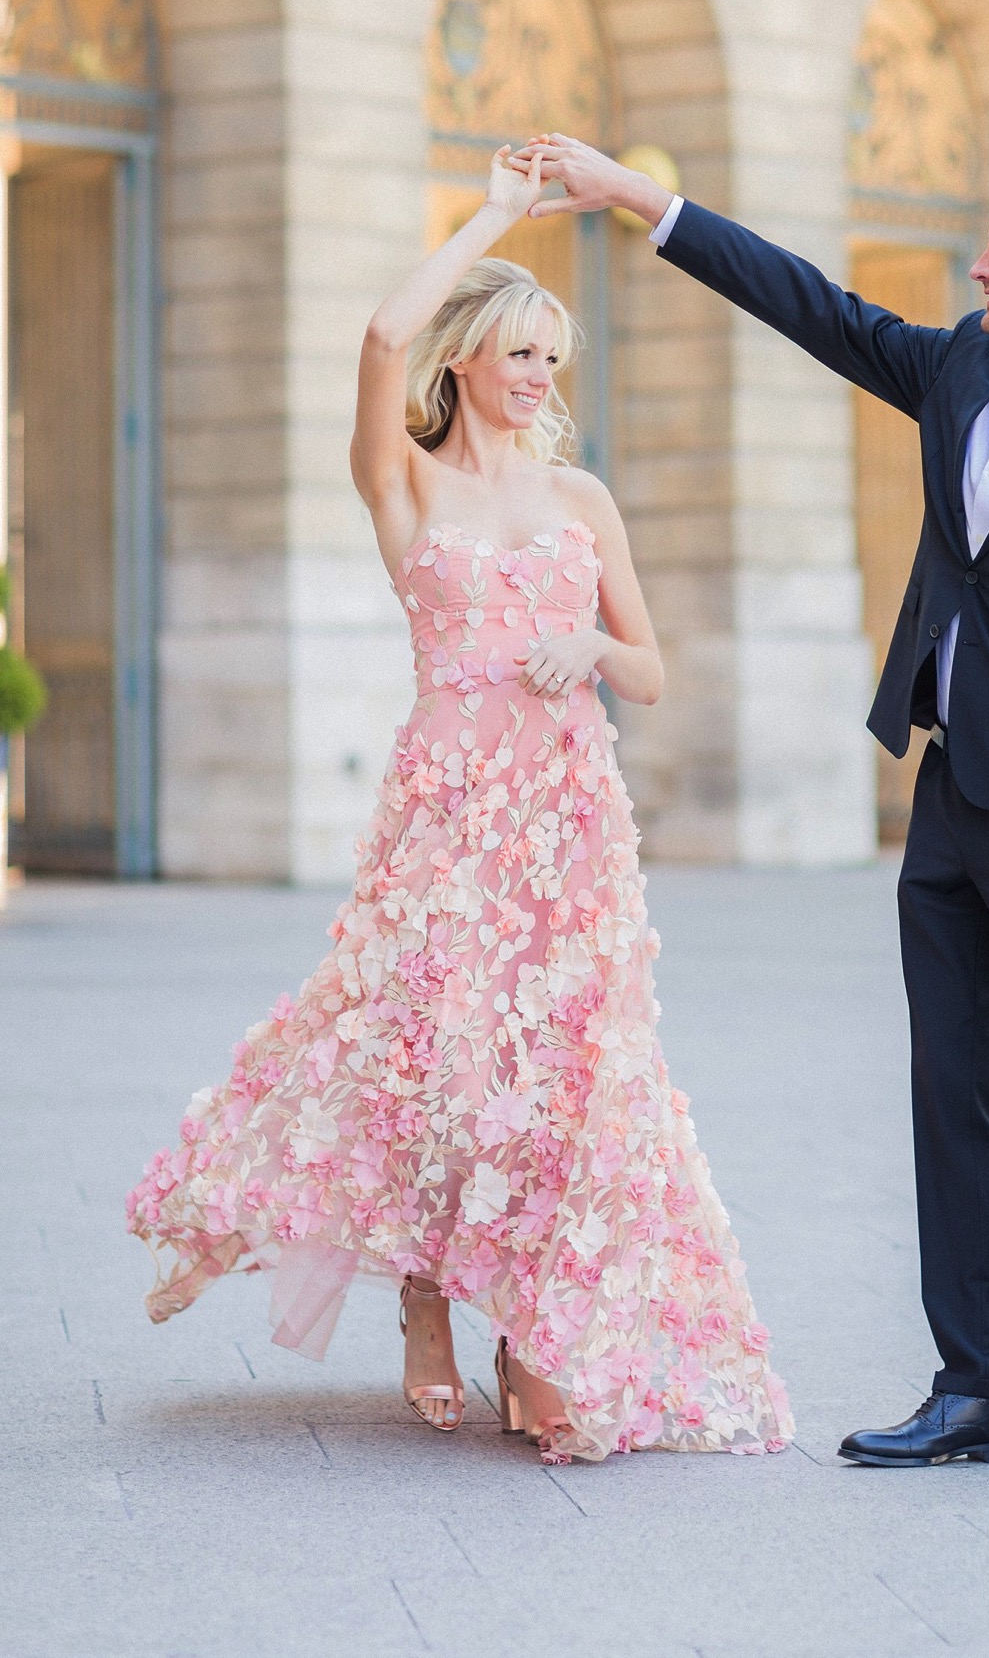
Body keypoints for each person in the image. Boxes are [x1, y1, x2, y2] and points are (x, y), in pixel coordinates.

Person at [513, 136, 989, 1482]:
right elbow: (811, 305)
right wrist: (637, 198)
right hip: (949, 791)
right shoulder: (959, 364)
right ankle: (977, 1388)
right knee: (950, 1087)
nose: (978, 263)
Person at [127, 146, 791, 1465]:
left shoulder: (583, 499)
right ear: (468, 360)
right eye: (520, 353)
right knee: (431, 1052)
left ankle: (534, 1324)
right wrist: (497, 210)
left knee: (554, 1072)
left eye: (553, 356)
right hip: (444, 822)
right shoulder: (407, 486)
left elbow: (652, 672)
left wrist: (594, 654)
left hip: (566, 826)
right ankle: (426, 1298)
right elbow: (381, 330)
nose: (539, 377)